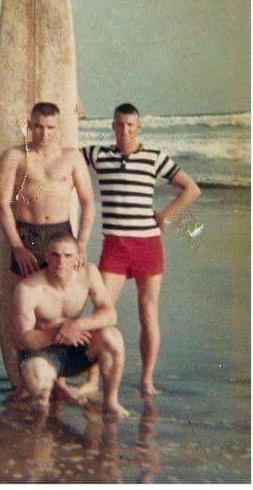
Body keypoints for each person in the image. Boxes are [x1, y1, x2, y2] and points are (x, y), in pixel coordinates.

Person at [81, 103, 201, 397]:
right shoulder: (98, 154)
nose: (125, 130)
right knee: (101, 312)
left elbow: (191, 188)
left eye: (130, 125)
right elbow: (65, 154)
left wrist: (166, 216)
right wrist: (74, 115)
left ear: (138, 127)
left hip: (148, 245)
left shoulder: (154, 158)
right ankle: (92, 380)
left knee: (148, 314)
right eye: (120, 124)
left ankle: (146, 380)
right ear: (113, 126)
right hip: (115, 246)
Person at [0, 102, 99, 398]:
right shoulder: (15, 156)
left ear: (59, 128)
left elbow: (88, 201)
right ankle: (24, 381)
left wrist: (81, 243)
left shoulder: (72, 157)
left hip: (61, 234)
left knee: (63, 308)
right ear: (30, 125)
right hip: (28, 235)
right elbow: (2, 204)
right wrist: (16, 245)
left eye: (51, 127)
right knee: (25, 312)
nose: (44, 133)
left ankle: (58, 378)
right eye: (38, 126)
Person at [11, 232, 128, 417]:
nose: (61, 262)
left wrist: (76, 325)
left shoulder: (89, 274)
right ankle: (42, 423)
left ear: (77, 258)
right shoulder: (28, 289)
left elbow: (110, 314)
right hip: (43, 351)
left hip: (76, 347)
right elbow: (22, 339)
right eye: (55, 255)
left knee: (112, 337)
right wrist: (58, 333)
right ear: (46, 257)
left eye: (68, 256)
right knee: (39, 382)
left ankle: (111, 402)